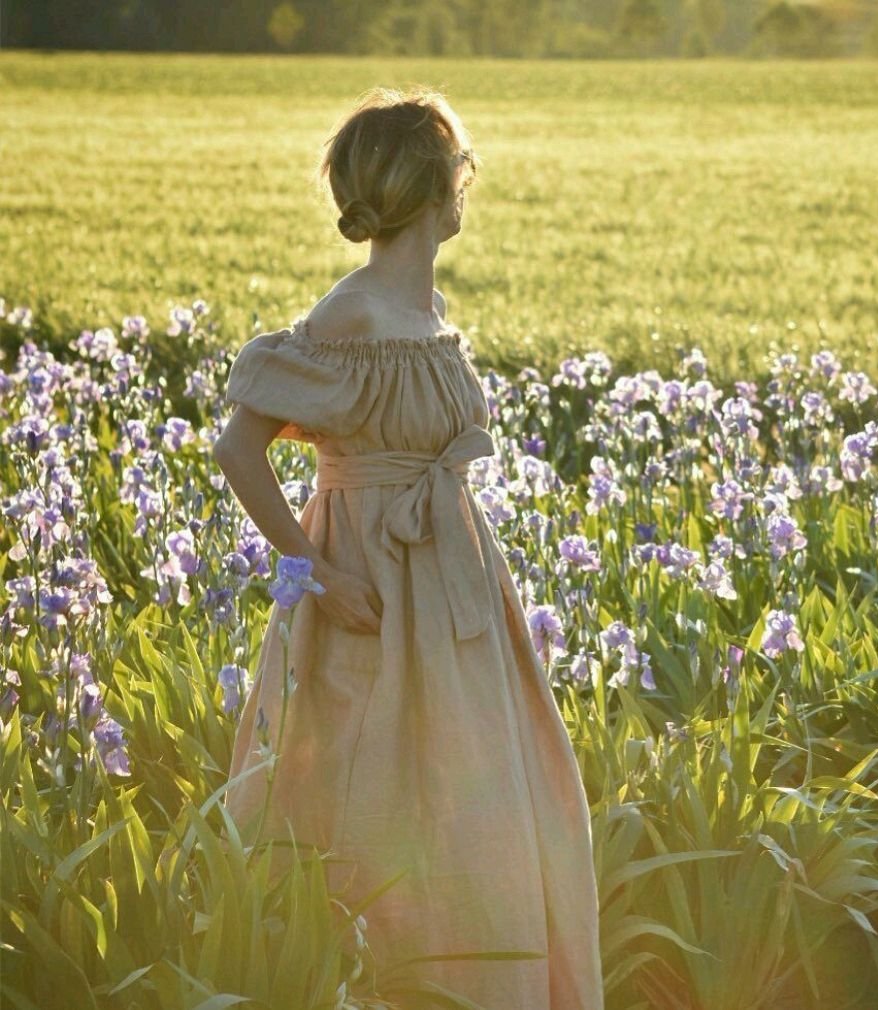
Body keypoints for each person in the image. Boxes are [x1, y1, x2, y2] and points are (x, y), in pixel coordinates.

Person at [213, 85, 604, 1010]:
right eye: (462, 171)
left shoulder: (425, 308)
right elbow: (236, 447)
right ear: (439, 188)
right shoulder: (350, 315)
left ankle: (495, 980)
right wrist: (313, 575)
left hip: (455, 584)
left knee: (486, 799)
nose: (466, 188)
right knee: (372, 796)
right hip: (375, 593)